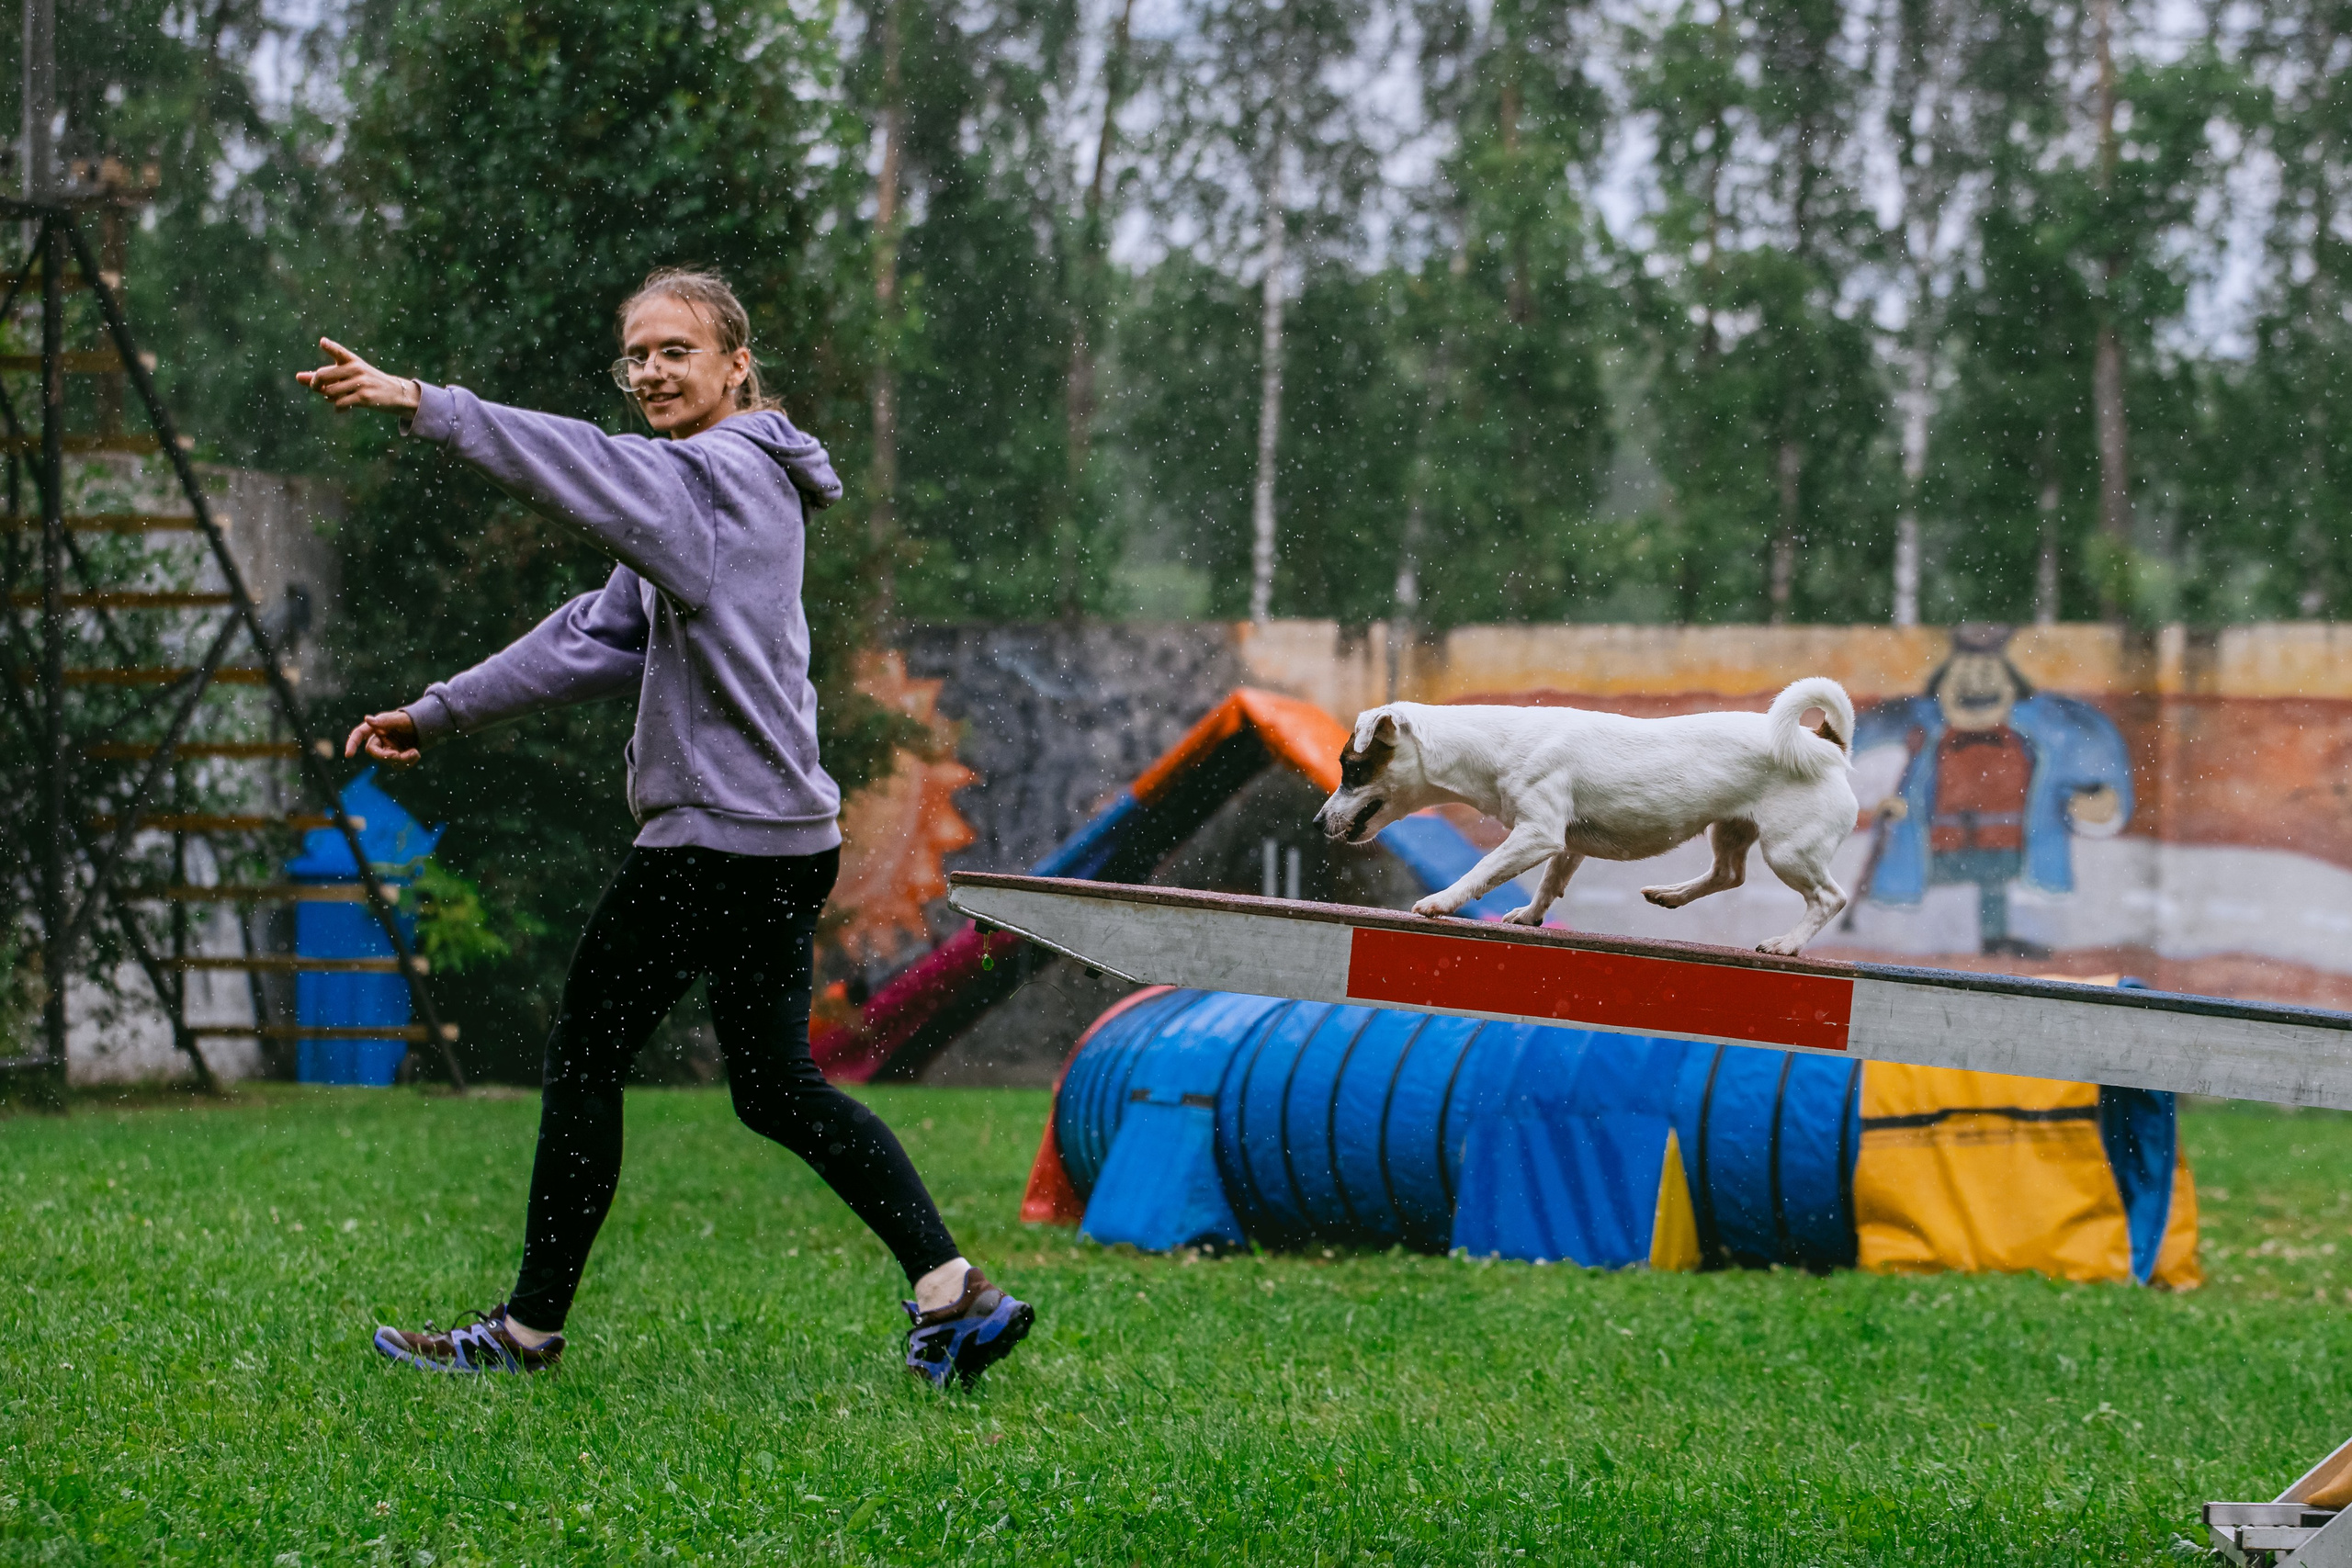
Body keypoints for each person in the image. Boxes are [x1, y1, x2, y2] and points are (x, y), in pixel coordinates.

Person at [298, 267, 1031, 1388]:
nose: (649, 371)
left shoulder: (717, 473)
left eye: (674, 351)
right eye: (635, 354)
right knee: (775, 1089)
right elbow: (597, 636)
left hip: (714, 840)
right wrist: (441, 712)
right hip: (780, 835)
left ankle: (526, 1333)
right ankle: (954, 1293)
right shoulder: (725, 487)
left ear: (737, 365)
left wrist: (424, 403)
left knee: (585, 1056)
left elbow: (587, 467)